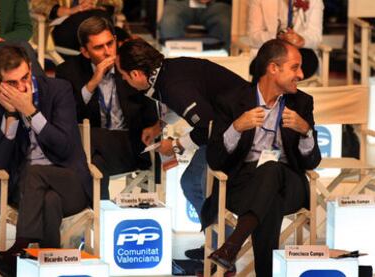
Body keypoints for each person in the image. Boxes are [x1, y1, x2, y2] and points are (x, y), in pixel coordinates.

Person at [116, 38, 248, 260]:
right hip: (227, 124)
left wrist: (176, 145)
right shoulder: (166, 71)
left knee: (196, 184)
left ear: (137, 74)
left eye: (124, 75)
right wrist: (160, 126)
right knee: (192, 182)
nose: (124, 80)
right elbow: (185, 104)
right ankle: (218, 244)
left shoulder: (172, 86)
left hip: (241, 130)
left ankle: (224, 248)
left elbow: (207, 127)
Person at [203, 39, 321, 277]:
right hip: (242, 184)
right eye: (295, 67)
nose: (301, 74)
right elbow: (214, 160)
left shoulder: (301, 102)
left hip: (290, 183)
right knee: (270, 201)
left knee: (272, 170)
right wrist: (236, 127)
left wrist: (305, 130)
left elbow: (312, 162)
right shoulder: (232, 101)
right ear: (273, 68)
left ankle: (231, 246)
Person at [0, 45, 92, 277]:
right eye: (12, 83)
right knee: (48, 199)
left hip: (69, 182)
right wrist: (10, 115)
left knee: (34, 173)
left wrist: (29, 110)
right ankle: (46, 265)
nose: (21, 87)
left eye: (25, 78)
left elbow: (65, 147)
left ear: (30, 68)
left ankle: (18, 250)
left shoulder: (59, 90)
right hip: (30, 192)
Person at [56, 17, 158, 199]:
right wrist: (92, 83)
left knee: (89, 140)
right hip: (92, 153)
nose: (107, 52)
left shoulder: (132, 64)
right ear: (85, 52)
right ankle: (100, 215)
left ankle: (91, 215)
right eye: (98, 47)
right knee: (95, 163)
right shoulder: (67, 71)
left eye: (110, 43)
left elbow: (149, 115)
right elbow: (67, 118)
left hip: (130, 146)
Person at [247, 0, 324, 80]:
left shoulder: (315, 1)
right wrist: (278, 37)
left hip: (302, 52)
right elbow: (253, 37)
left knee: (305, 60)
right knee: (267, 63)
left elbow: (316, 37)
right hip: (270, 50)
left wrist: (302, 40)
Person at [30, 0, 122, 51]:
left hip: (95, 23)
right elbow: (36, 4)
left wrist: (99, 8)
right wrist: (69, 11)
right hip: (60, 28)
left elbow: (116, 4)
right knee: (98, 20)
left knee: (99, 17)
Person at [159, 0, 231, 51]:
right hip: (180, 2)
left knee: (224, 22)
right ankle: (172, 63)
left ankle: (219, 64)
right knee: (169, 21)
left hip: (217, 4)